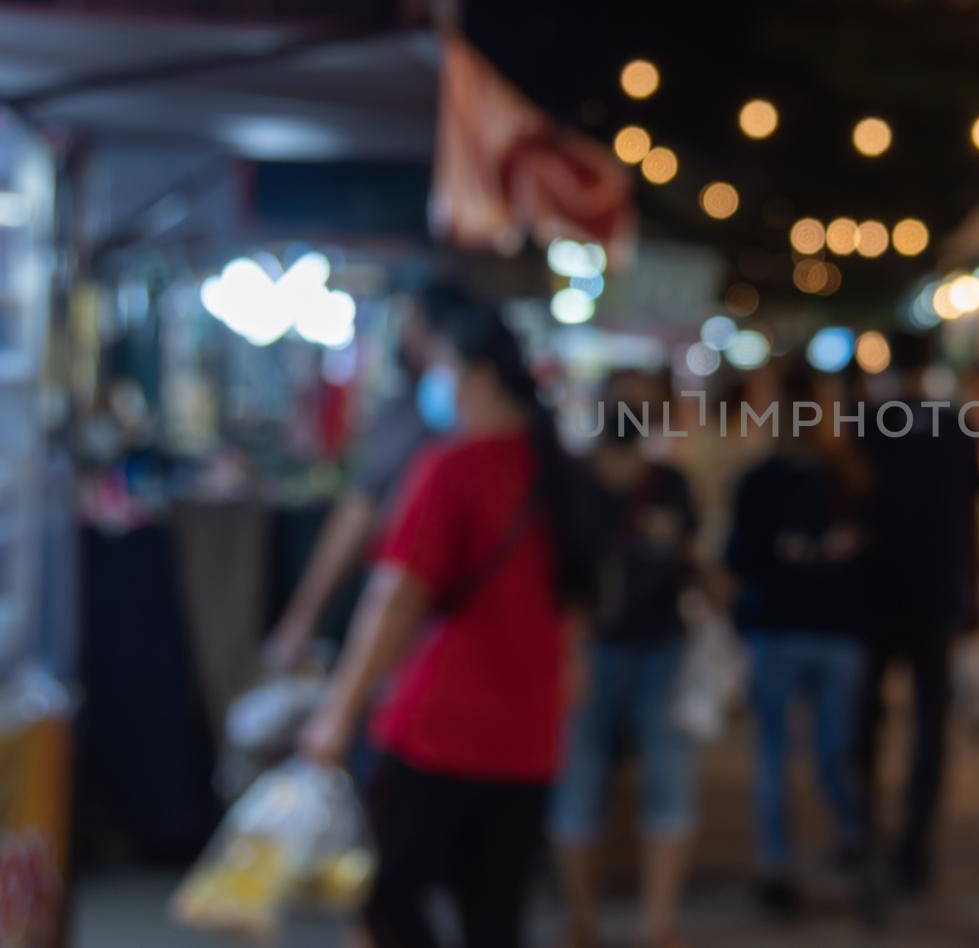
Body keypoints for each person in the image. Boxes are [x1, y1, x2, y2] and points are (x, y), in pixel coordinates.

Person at [299, 299, 591, 948]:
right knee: (495, 919)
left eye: (445, 369)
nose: (438, 386)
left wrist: (338, 713)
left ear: (480, 376)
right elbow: (577, 617)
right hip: (531, 735)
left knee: (385, 901)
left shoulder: (452, 468)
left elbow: (394, 601)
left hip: (439, 728)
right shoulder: (562, 474)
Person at [552, 372, 700, 948]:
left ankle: (658, 925)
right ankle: (581, 920)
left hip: (661, 650)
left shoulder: (670, 483)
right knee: (578, 788)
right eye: (622, 404)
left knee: (669, 783)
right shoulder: (572, 485)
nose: (630, 414)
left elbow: (687, 559)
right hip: (586, 652)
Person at [725, 365, 874, 918]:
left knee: (777, 755)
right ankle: (850, 841)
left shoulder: (765, 479)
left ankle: (779, 863)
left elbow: (740, 559)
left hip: (781, 630)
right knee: (832, 753)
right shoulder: (851, 477)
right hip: (835, 633)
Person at [262, 282, 469, 674]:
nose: (402, 334)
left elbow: (358, 513)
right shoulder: (439, 416)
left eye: (409, 323)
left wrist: (300, 621)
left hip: (416, 618)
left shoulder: (425, 416)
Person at [857, 331, 979, 893]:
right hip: (934, 589)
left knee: (867, 721)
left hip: (873, 590)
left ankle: (866, 830)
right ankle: (915, 845)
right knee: (929, 724)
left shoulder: (865, 423)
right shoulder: (955, 424)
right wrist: (972, 591)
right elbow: (969, 516)